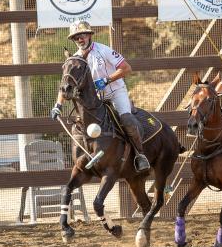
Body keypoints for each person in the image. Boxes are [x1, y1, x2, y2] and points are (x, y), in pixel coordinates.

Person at [51, 20, 150, 173]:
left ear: (89, 35)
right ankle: (89, 156)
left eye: (82, 35)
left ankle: (140, 154)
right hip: (95, 99)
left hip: (116, 92)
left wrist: (106, 80)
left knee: (127, 120)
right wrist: (58, 105)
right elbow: (66, 84)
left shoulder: (104, 50)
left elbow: (126, 68)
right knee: (79, 124)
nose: (79, 39)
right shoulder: (75, 59)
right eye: (76, 37)